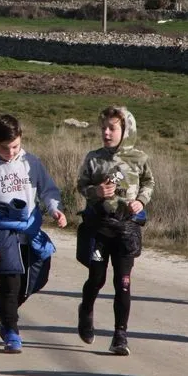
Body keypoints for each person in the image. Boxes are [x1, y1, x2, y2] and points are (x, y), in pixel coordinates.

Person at [0, 114, 67, 354]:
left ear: (21, 139)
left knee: (36, 277)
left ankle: (6, 309)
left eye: (15, 146)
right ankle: (11, 331)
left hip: (30, 228)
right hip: (3, 232)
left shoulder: (32, 163)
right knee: (10, 281)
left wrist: (55, 208)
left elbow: (48, 190)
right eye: (5, 148)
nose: (11, 152)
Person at [75, 106, 154, 356]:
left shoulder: (139, 158)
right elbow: (81, 185)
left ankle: (120, 336)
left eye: (113, 128)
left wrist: (141, 201)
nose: (107, 133)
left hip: (126, 230)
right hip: (100, 228)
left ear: (125, 130)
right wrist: (96, 192)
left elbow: (149, 182)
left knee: (123, 283)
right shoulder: (94, 158)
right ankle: (86, 310)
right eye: (104, 128)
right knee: (97, 278)